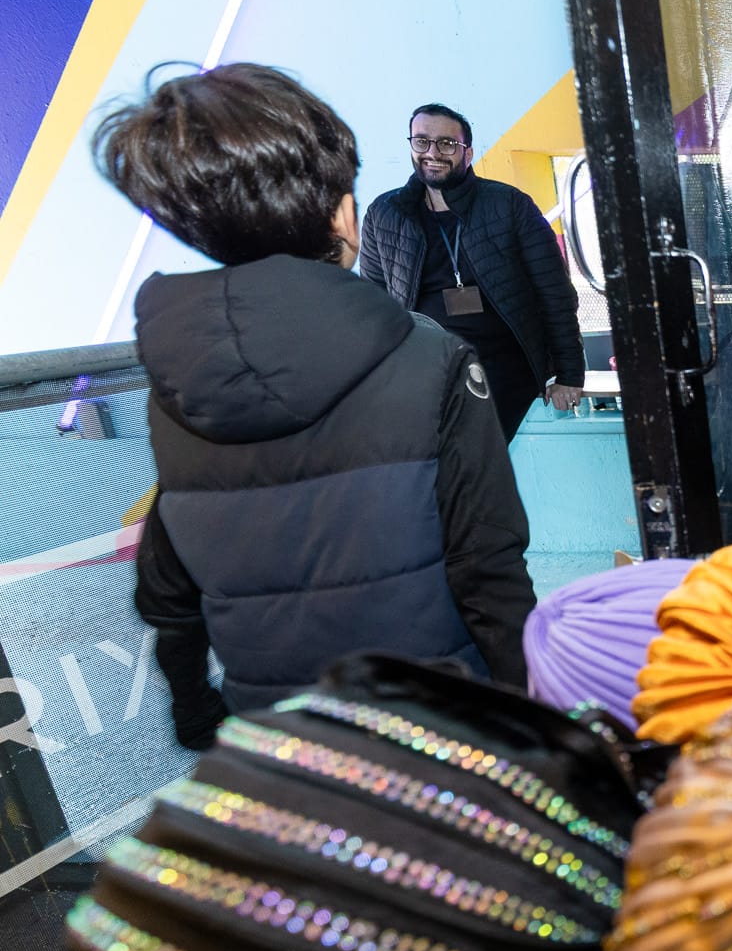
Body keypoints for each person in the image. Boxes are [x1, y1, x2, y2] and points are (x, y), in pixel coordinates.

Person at [98, 63, 536, 746]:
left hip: (276, 738)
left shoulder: (176, 379)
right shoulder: (434, 358)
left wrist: (191, 703)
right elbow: (489, 568)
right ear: (343, 215)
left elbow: (167, 583)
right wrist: (532, 726)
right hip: (441, 728)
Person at [357, 102, 583, 439]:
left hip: (503, 370)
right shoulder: (384, 214)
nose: (433, 152)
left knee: (467, 456)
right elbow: (374, 308)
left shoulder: (509, 205)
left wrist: (569, 373)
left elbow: (555, 293)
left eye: (447, 144)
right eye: (422, 141)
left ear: (468, 152)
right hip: (425, 371)